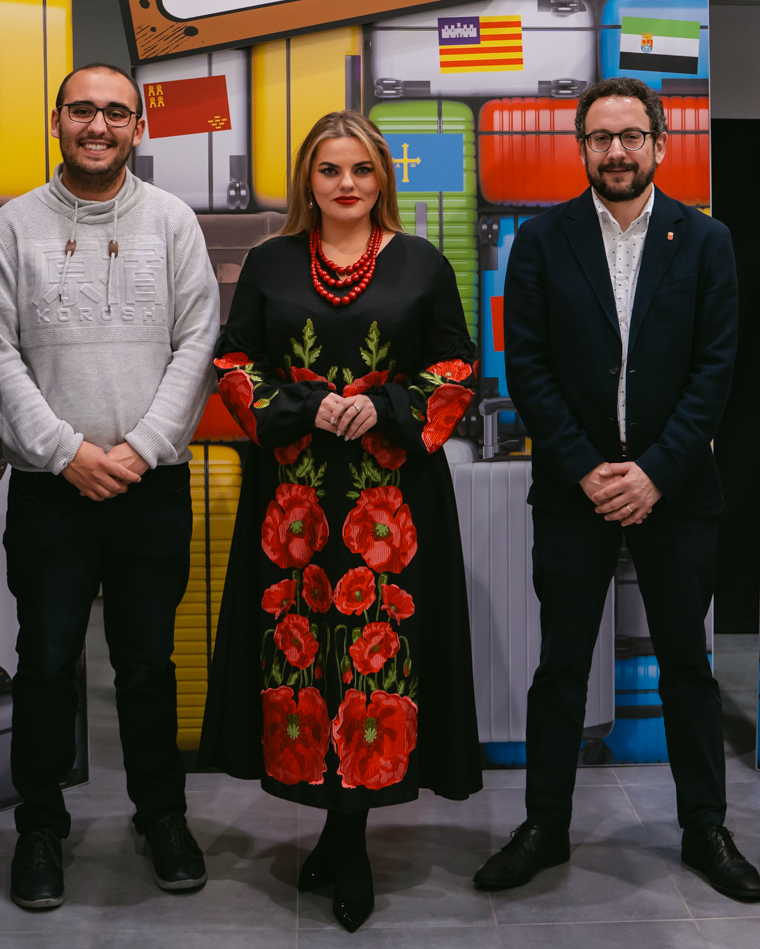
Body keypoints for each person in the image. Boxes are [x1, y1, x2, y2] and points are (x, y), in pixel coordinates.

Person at [474, 77, 760, 902]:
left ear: (661, 144)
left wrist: (654, 472)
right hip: (575, 489)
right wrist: (584, 465)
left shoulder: (705, 241)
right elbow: (524, 364)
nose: (617, 151)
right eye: (600, 137)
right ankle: (544, 825)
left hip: (676, 490)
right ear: (582, 147)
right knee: (560, 665)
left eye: (632, 135)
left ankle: (706, 825)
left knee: (687, 669)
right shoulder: (541, 240)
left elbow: (716, 371)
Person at [198, 109, 483, 933]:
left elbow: (458, 364)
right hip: (293, 506)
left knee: (372, 661)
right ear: (308, 180)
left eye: (361, 169)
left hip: (390, 509)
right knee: (306, 656)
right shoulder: (270, 260)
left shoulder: (423, 263)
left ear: (382, 177)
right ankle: (331, 820)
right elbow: (232, 359)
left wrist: (383, 406)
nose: (347, 184)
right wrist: (307, 406)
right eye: (330, 170)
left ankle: (350, 837)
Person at [0, 63, 221, 910]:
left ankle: (162, 816)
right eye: (83, 109)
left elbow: (199, 340)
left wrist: (145, 446)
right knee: (44, 664)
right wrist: (65, 449)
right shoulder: (11, 228)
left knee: (147, 664)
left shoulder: (172, 221)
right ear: (56, 119)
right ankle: (40, 826)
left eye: (117, 112)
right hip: (52, 487)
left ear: (138, 128)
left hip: (151, 484)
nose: (99, 125)